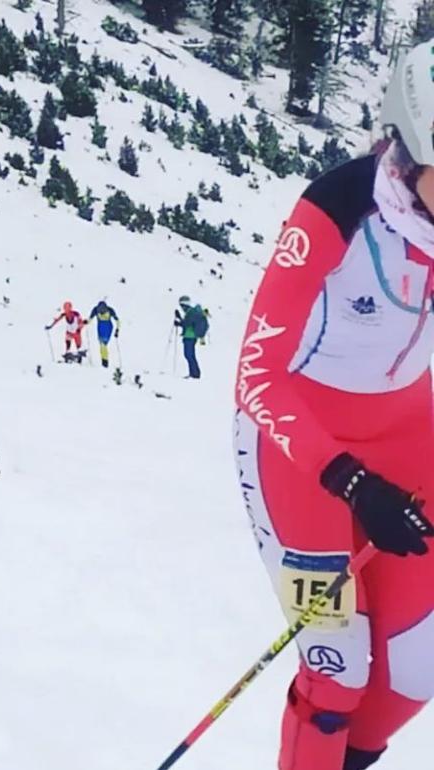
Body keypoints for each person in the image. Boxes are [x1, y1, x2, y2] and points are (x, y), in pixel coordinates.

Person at [233, 42, 434, 770]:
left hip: (410, 434)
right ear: (407, 157)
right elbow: (256, 376)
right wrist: (350, 480)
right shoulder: (337, 210)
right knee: (338, 668)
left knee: (417, 668)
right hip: (298, 442)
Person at [174, 295, 208, 379]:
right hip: (191, 336)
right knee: (190, 355)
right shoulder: (191, 312)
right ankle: (194, 373)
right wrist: (179, 319)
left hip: (190, 337)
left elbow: (186, 324)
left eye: (182, 306)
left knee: (189, 355)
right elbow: (187, 323)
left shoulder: (191, 312)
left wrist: (179, 322)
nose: (182, 308)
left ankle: (195, 374)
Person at [87, 299, 120, 368]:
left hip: (108, 327)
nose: (101, 313)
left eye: (103, 311)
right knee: (101, 345)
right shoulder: (95, 309)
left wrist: (117, 330)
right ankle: (104, 360)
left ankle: (105, 361)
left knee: (103, 344)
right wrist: (86, 322)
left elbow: (117, 320)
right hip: (100, 328)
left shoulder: (110, 310)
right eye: (100, 311)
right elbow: (90, 318)